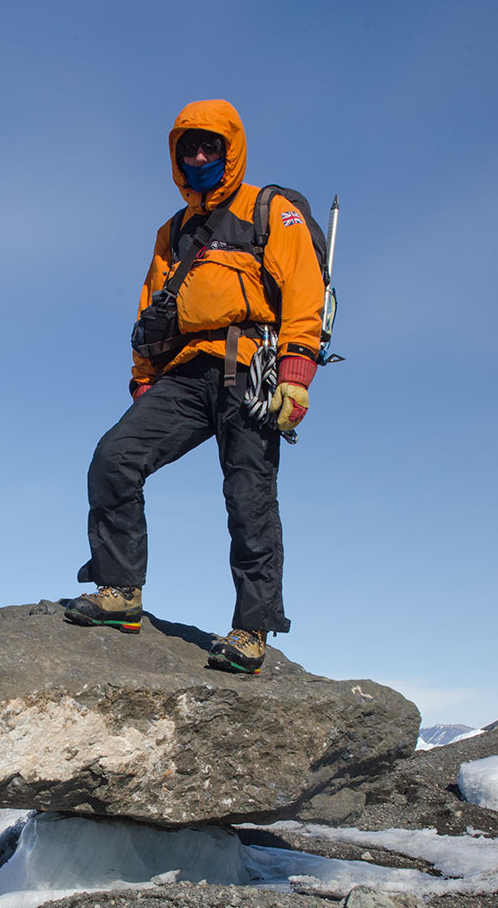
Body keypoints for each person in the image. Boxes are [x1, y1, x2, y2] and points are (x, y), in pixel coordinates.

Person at [64, 99, 324, 674]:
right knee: (115, 457)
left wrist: (297, 374)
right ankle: (120, 593)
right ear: (177, 157)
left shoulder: (268, 209)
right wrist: (143, 381)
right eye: (189, 148)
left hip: (250, 365)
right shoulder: (173, 231)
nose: (200, 156)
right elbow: (152, 311)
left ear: (231, 150)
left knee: (249, 497)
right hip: (184, 373)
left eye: (211, 146)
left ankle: (252, 630)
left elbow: (303, 288)